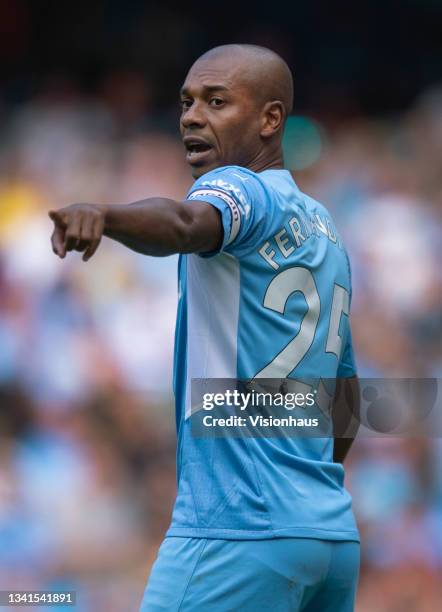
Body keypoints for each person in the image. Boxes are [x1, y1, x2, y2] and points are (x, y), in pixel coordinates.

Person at [49, 44, 360, 612]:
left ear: (271, 119)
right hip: (328, 537)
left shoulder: (240, 188)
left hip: (236, 533)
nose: (193, 115)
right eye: (187, 102)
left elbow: (185, 222)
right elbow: (347, 402)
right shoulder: (326, 228)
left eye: (217, 102)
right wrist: (297, 488)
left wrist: (107, 216)